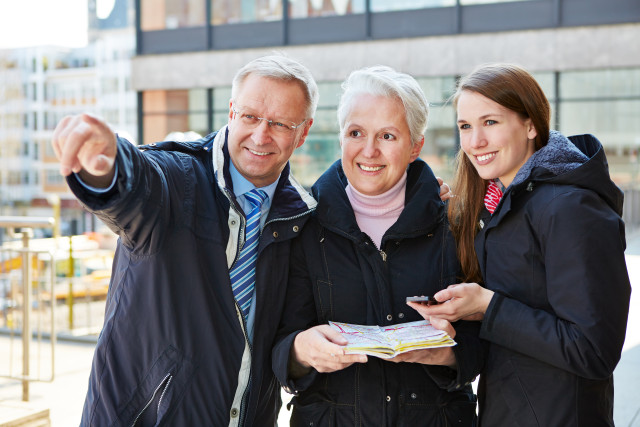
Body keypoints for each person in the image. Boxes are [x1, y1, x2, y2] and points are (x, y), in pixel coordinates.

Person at [51, 55, 320, 426]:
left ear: (303, 132)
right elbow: (138, 186)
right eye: (250, 117)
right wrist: (109, 165)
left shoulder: (302, 218)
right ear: (231, 112)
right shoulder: (179, 181)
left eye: (279, 124)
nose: (261, 136)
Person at [409, 63, 632, 426]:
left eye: (490, 122)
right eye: (465, 126)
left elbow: (593, 350)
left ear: (530, 125)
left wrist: (488, 306)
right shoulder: (499, 202)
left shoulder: (570, 208)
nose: (475, 141)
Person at [272, 66, 484, 426]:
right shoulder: (302, 225)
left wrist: (447, 357)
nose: (369, 151)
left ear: (415, 145)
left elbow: (488, 340)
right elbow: (276, 341)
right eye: (356, 133)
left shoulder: (456, 224)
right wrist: (299, 351)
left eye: (387, 136)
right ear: (341, 136)